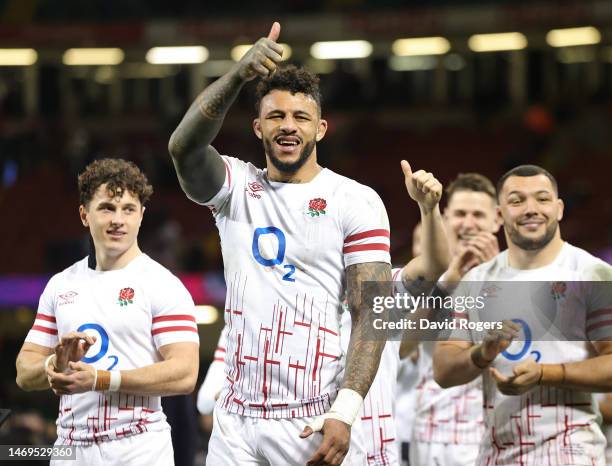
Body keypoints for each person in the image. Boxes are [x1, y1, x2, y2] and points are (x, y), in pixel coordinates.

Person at [169, 22, 392, 466]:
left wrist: (345, 412)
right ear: (257, 127)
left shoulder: (355, 200)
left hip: (312, 417)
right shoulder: (235, 188)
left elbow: (372, 311)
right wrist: (237, 75)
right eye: (276, 116)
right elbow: (183, 148)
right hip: (235, 422)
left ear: (321, 129)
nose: (288, 127)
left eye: (300, 117)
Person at [15, 158, 200, 466]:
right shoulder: (60, 285)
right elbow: (24, 370)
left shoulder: (163, 285)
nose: (118, 220)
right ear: (84, 215)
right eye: (106, 208)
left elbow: (185, 373)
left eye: (128, 209)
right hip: (69, 449)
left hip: (138, 448)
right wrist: (53, 365)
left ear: (141, 216)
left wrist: (102, 379)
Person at [433, 164, 612, 465]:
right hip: (496, 455)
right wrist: (482, 352)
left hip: (571, 452)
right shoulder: (477, 280)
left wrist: (544, 375)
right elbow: (443, 369)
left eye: (542, 199)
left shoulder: (591, 273)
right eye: (517, 200)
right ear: (500, 214)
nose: (531, 209)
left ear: (559, 209)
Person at [405, 173, 501, 466]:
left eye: (478, 215)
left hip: (492, 433)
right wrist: (449, 281)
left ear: (497, 219)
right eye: (459, 214)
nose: (468, 223)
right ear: (445, 218)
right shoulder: (422, 277)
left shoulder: (516, 275)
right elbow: (403, 344)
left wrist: (494, 279)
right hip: (430, 435)